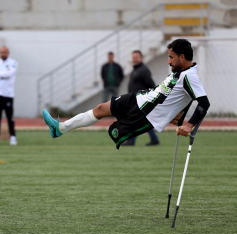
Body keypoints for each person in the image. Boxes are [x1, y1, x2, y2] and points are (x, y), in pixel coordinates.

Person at [43, 39, 210, 150]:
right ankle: (60, 128)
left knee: (115, 130)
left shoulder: (191, 76)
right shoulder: (181, 70)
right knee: (100, 108)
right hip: (139, 97)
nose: (169, 61)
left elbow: (204, 103)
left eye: (171, 58)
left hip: (145, 112)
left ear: (182, 57)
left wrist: (189, 125)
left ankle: (60, 129)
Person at [122, 50, 160, 146]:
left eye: (136, 57)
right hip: (135, 100)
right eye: (133, 57)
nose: (134, 59)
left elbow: (151, 85)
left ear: (141, 58)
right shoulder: (136, 70)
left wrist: (146, 98)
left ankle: (131, 141)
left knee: (136, 120)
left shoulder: (143, 70)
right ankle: (154, 139)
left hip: (141, 100)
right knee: (142, 120)